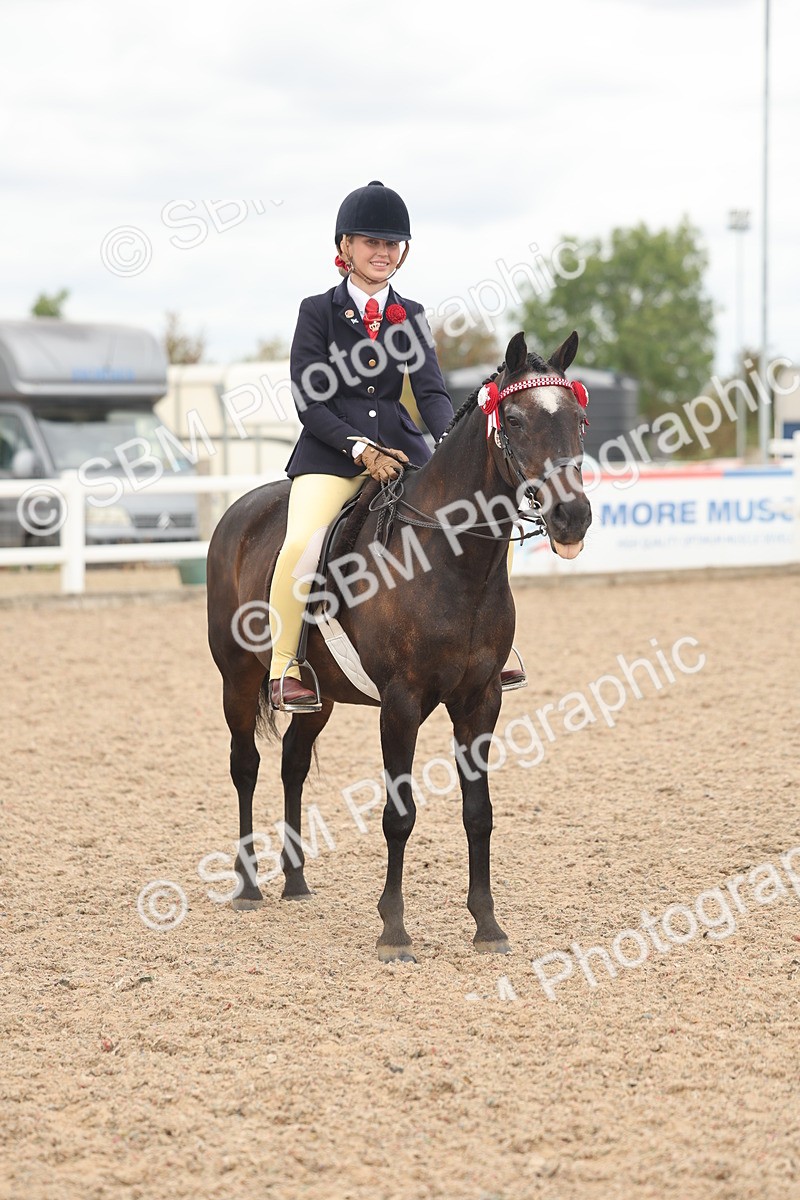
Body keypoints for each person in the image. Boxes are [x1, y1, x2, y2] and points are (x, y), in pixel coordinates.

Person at [267, 180, 525, 712]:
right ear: (345, 248)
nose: (382, 253)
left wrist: (451, 443)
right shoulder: (316, 311)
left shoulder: (411, 314)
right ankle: (286, 664)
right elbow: (310, 402)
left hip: (404, 449)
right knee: (300, 548)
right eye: (371, 243)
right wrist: (359, 449)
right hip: (331, 453)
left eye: (391, 245)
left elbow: (430, 393)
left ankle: (496, 644)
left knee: (483, 521)